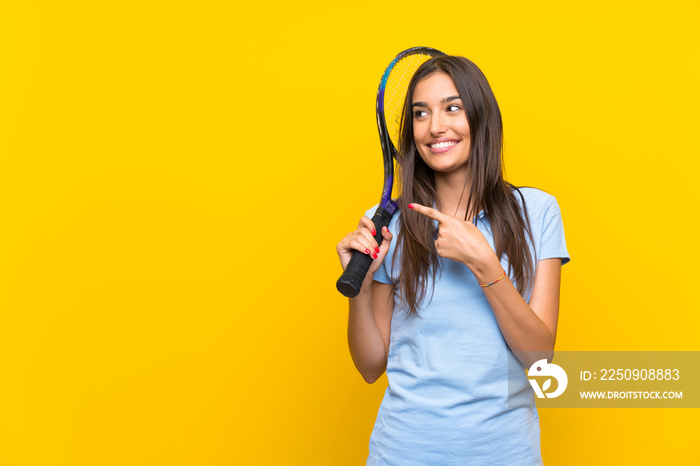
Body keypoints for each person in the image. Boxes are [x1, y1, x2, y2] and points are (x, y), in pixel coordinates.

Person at [336, 55, 570, 465]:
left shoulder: (537, 212)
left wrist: (484, 263)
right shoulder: (389, 221)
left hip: (505, 454)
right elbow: (371, 366)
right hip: (403, 452)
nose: (435, 126)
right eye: (420, 113)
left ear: (481, 116)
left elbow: (540, 360)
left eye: (453, 107)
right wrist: (361, 285)